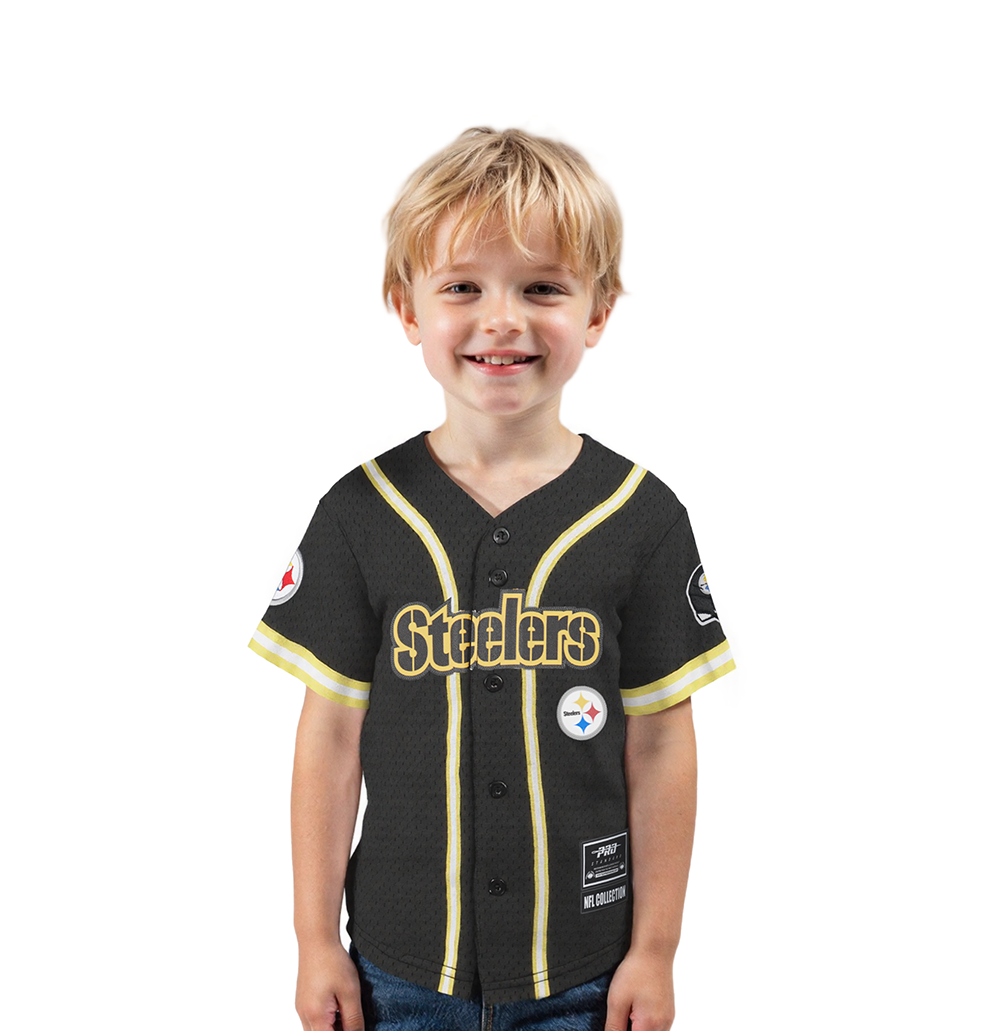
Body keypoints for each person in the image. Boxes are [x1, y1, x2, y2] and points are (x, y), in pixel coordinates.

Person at [249, 127, 735, 1031]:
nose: (503, 318)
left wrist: (656, 949)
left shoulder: (643, 515)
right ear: (407, 309)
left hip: (586, 973)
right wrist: (314, 940)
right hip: (397, 971)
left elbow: (662, 743)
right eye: (462, 287)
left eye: (542, 287)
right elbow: (331, 738)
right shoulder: (360, 513)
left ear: (598, 312)